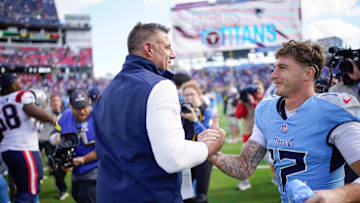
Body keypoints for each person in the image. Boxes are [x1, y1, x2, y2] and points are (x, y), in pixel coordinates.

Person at [199, 40, 360, 203]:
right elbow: (244, 166)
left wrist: (338, 195)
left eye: (282, 68)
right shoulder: (266, 109)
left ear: (308, 73)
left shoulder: (332, 111)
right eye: (274, 68)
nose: (273, 75)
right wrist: (211, 153)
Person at [92, 22, 225, 203]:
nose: (173, 54)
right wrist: (206, 147)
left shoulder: (106, 93)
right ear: (148, 48)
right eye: (167, 47)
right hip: (150, 195)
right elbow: (173, 158)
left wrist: (192, 144)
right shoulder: (159, 85)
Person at [0, 73, 57, 203]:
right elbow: (30, 109)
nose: (22, 85)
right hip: (24, 148)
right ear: (14, 85)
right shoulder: (20, 96)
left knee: (19, 187)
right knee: (30, 190)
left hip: (7, 150)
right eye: (19, 82)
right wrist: (52, 119)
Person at [51, 88, 98, 203]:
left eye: (84, 107)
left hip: (94, 174)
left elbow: (104, 148)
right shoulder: (65, 116)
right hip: (76, 174)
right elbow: (56, 129)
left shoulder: (98, 117)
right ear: (70, 105)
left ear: (89, 101)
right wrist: (56, 137)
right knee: (77, 196)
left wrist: (83, 159)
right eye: (78, 108)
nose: (82, 111)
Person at [181, 80, 213, 203]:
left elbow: (208, 135)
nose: (189, 97)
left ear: (199, 95)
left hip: (203, 156)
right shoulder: (182, 111)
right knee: (185, 194)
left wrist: (194, 120)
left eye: (192, 94)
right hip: (187, 154)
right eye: (186, 95)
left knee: (201, 196)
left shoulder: (206, 111)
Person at [234, 80, 266, 190]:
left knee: (274, 160)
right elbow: (238, 115)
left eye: (258, 89)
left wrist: (254, 103)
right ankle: (245, 182)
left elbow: (264, 114)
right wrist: (242, 102)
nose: (256, 92)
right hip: (249, 136)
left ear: (263, 90)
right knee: (244, 160)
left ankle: (277, 178)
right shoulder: (245, 102)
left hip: (266, 136)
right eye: (254, 90)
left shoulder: (266, 100)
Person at [38, 94, 68, 200]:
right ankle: (63, 189)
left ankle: (60, 184)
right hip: (47, 143)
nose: (55, 102)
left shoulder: (65, 113)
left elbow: (62, 127)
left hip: (61, 143)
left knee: (64, 167)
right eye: (53, 100)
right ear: (51, 102)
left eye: (57, 100)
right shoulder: (46, 112)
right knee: (55, 168)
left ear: (60, 102)